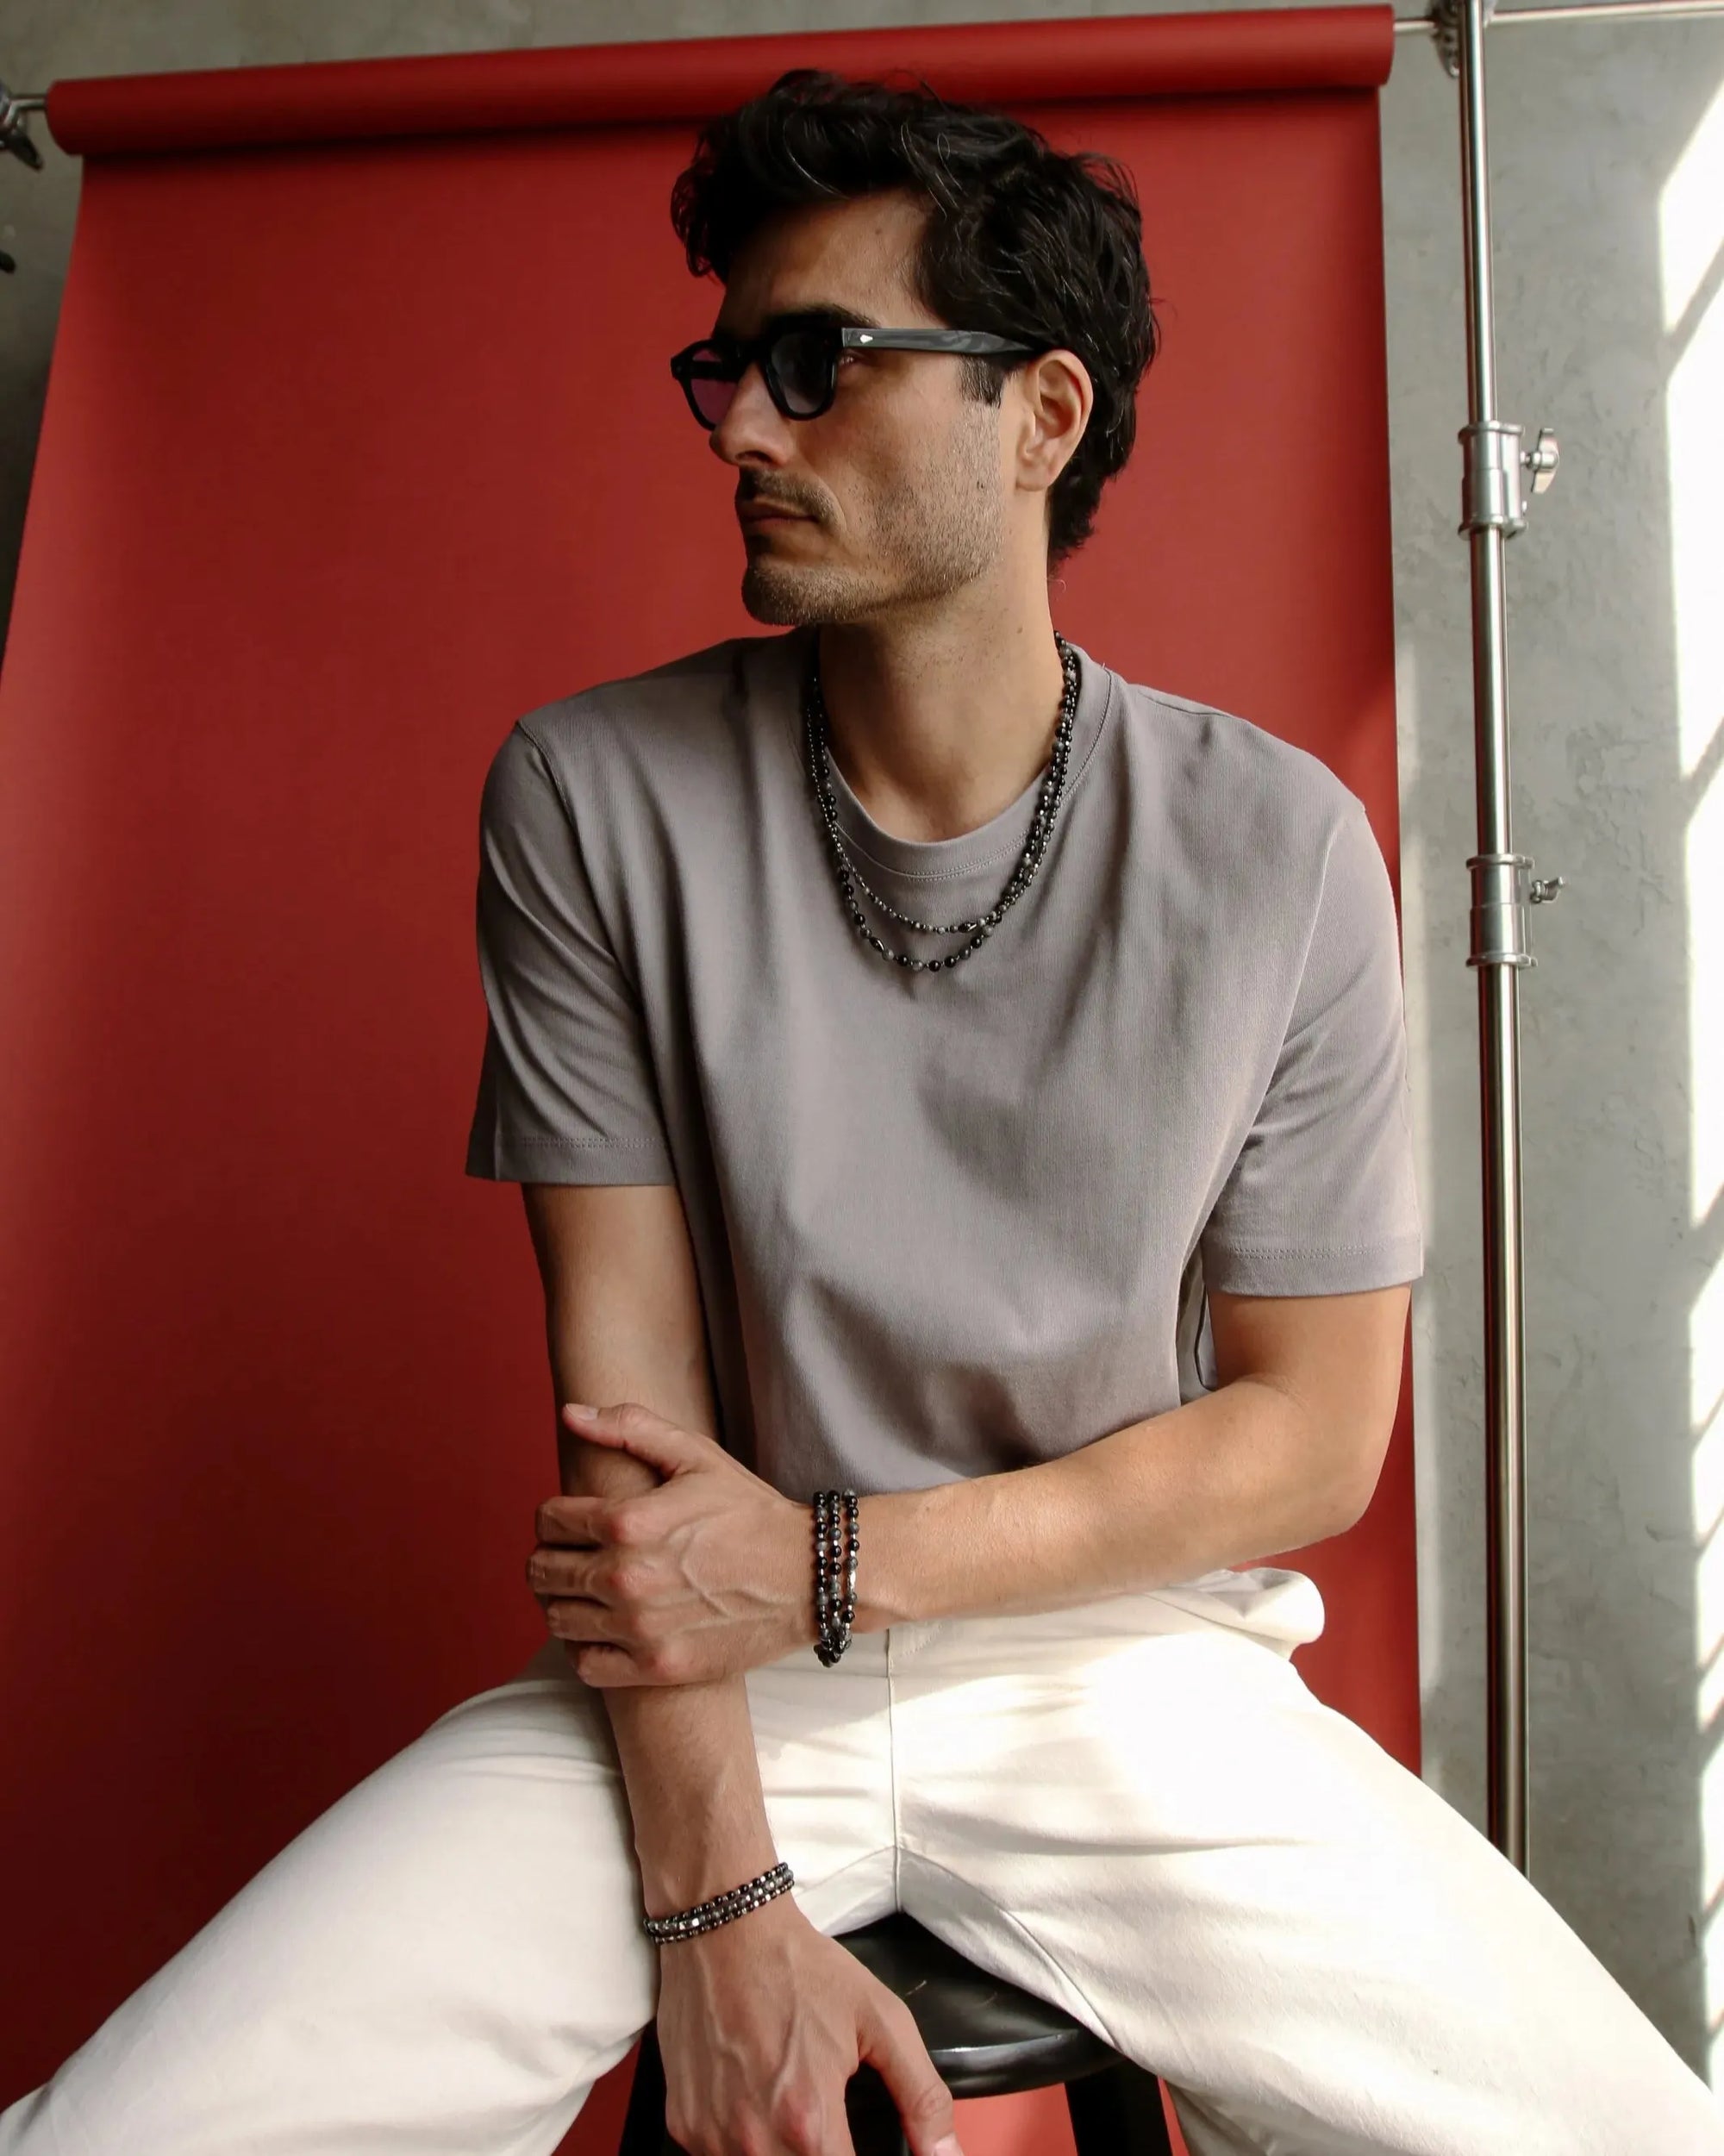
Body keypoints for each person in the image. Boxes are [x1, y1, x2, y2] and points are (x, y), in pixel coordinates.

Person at [3, 65, 1721, 2156]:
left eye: (818, 362)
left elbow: (1306, 1439)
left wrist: (829, 1561)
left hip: (1122, 1679)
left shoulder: (1280, 847)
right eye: (723, 367)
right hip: (708, 1681)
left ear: (1042, 416)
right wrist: (721, 1901)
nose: (740, 421)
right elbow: (628, 1432)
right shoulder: (590, 795)